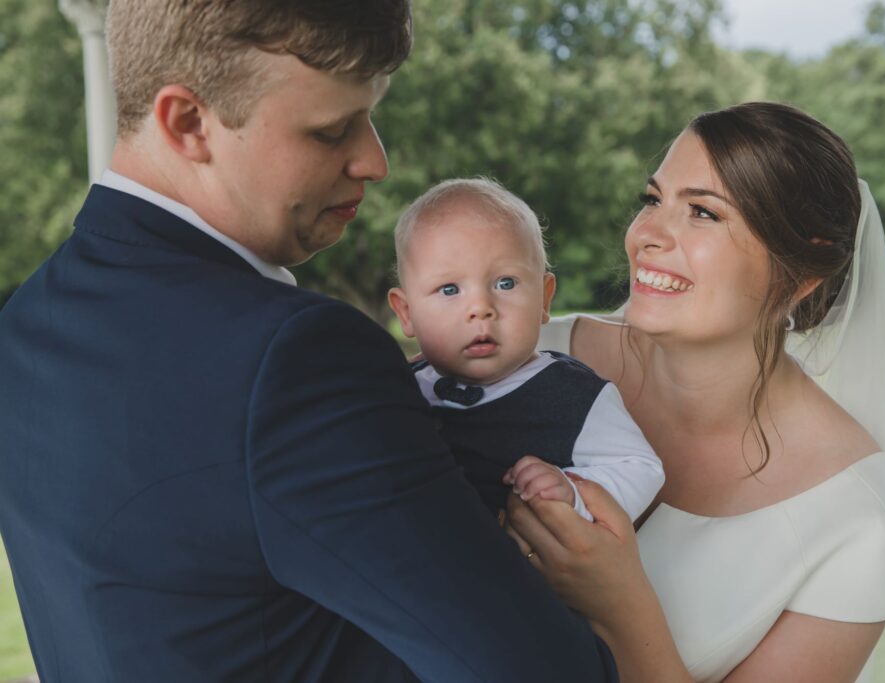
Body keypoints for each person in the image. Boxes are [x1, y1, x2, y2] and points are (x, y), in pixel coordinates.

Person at [0, 2, 619, 682]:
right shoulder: (296, 359)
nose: (375, 160)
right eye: (332, 131)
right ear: (188, 121)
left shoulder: (26, 323)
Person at [506, 102, 885, 682]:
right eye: (653, 200)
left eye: (704, 214)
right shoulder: (527, 358)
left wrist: (621, 604)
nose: (648, 235)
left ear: (799, 275)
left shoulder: (856, 516)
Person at [387, 178, 664, 521]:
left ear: (544, 299)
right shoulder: (399, 388)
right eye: (448, 289)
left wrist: (572, 490)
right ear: (407, 313)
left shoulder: (572, 395)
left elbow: (641, 468)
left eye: (505, 283)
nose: (480, 307)